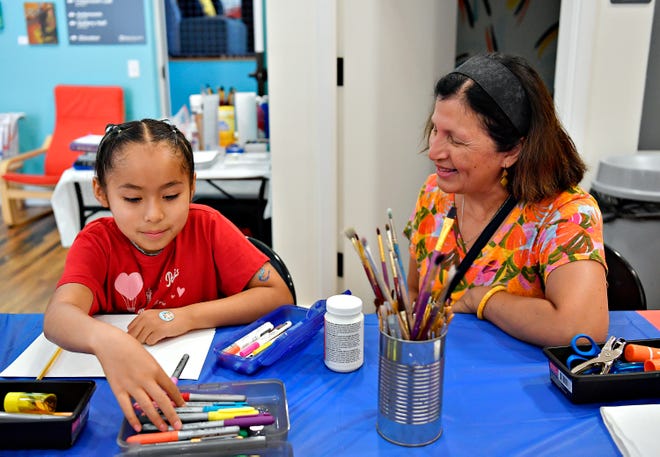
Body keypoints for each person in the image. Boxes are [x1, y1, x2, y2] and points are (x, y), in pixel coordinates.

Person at [43, 119, 293, 433]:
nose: (154, 215)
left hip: (205, 384)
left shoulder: (208, 227)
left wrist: (182, 317)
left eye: (171, 196)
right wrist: (106, 340)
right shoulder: (97, 243)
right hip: (114, 394)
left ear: (191, 186)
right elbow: (58, 316)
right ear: (101, 192)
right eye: (133, 199)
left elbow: (277, 295)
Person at [404, 53, 608, 347]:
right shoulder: (435, 194)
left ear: (512, 151)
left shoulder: (565, 214)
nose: (434, 151)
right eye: (436, 129)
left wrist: (482, 299)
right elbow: (413, 293)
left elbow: (582, 327)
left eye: (456, 140)